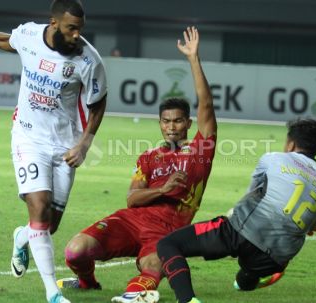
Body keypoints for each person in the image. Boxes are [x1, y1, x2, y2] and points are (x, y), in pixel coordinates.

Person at [0, 1, 107, 302]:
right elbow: (5, 40)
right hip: (28, 136)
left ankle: (21, 236)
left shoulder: (89, 61)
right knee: (39, 206)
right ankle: (53, 293)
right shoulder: (28, 35)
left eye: (80, 29)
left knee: (49, 225)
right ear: (54, 24)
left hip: (66, 144)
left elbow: (98, 102)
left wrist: (84, 143)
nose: (77, 35)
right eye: (71, 28)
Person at [56, 26, 217, 303]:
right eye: (166, 121)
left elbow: (206, 105)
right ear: (160, 124)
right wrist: (163, 189)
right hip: (131, 221)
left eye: (178, 121)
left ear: (189, 124)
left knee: (153, 266)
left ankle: (135, 294)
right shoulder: (148, 156)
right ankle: (87, 282)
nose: (171, 127)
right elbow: (132, 199)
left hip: (167, 231)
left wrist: (193, 59)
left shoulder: (201, 149)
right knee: (75, 250)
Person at [156, 118, 316, 303]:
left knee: (168, 244)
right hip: (276, 257)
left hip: (241, 233)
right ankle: (257, 276)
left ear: (291, 144)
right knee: (246, 278)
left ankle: (187, 300)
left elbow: (252, 192)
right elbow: (311, 226)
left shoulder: (273, 158)